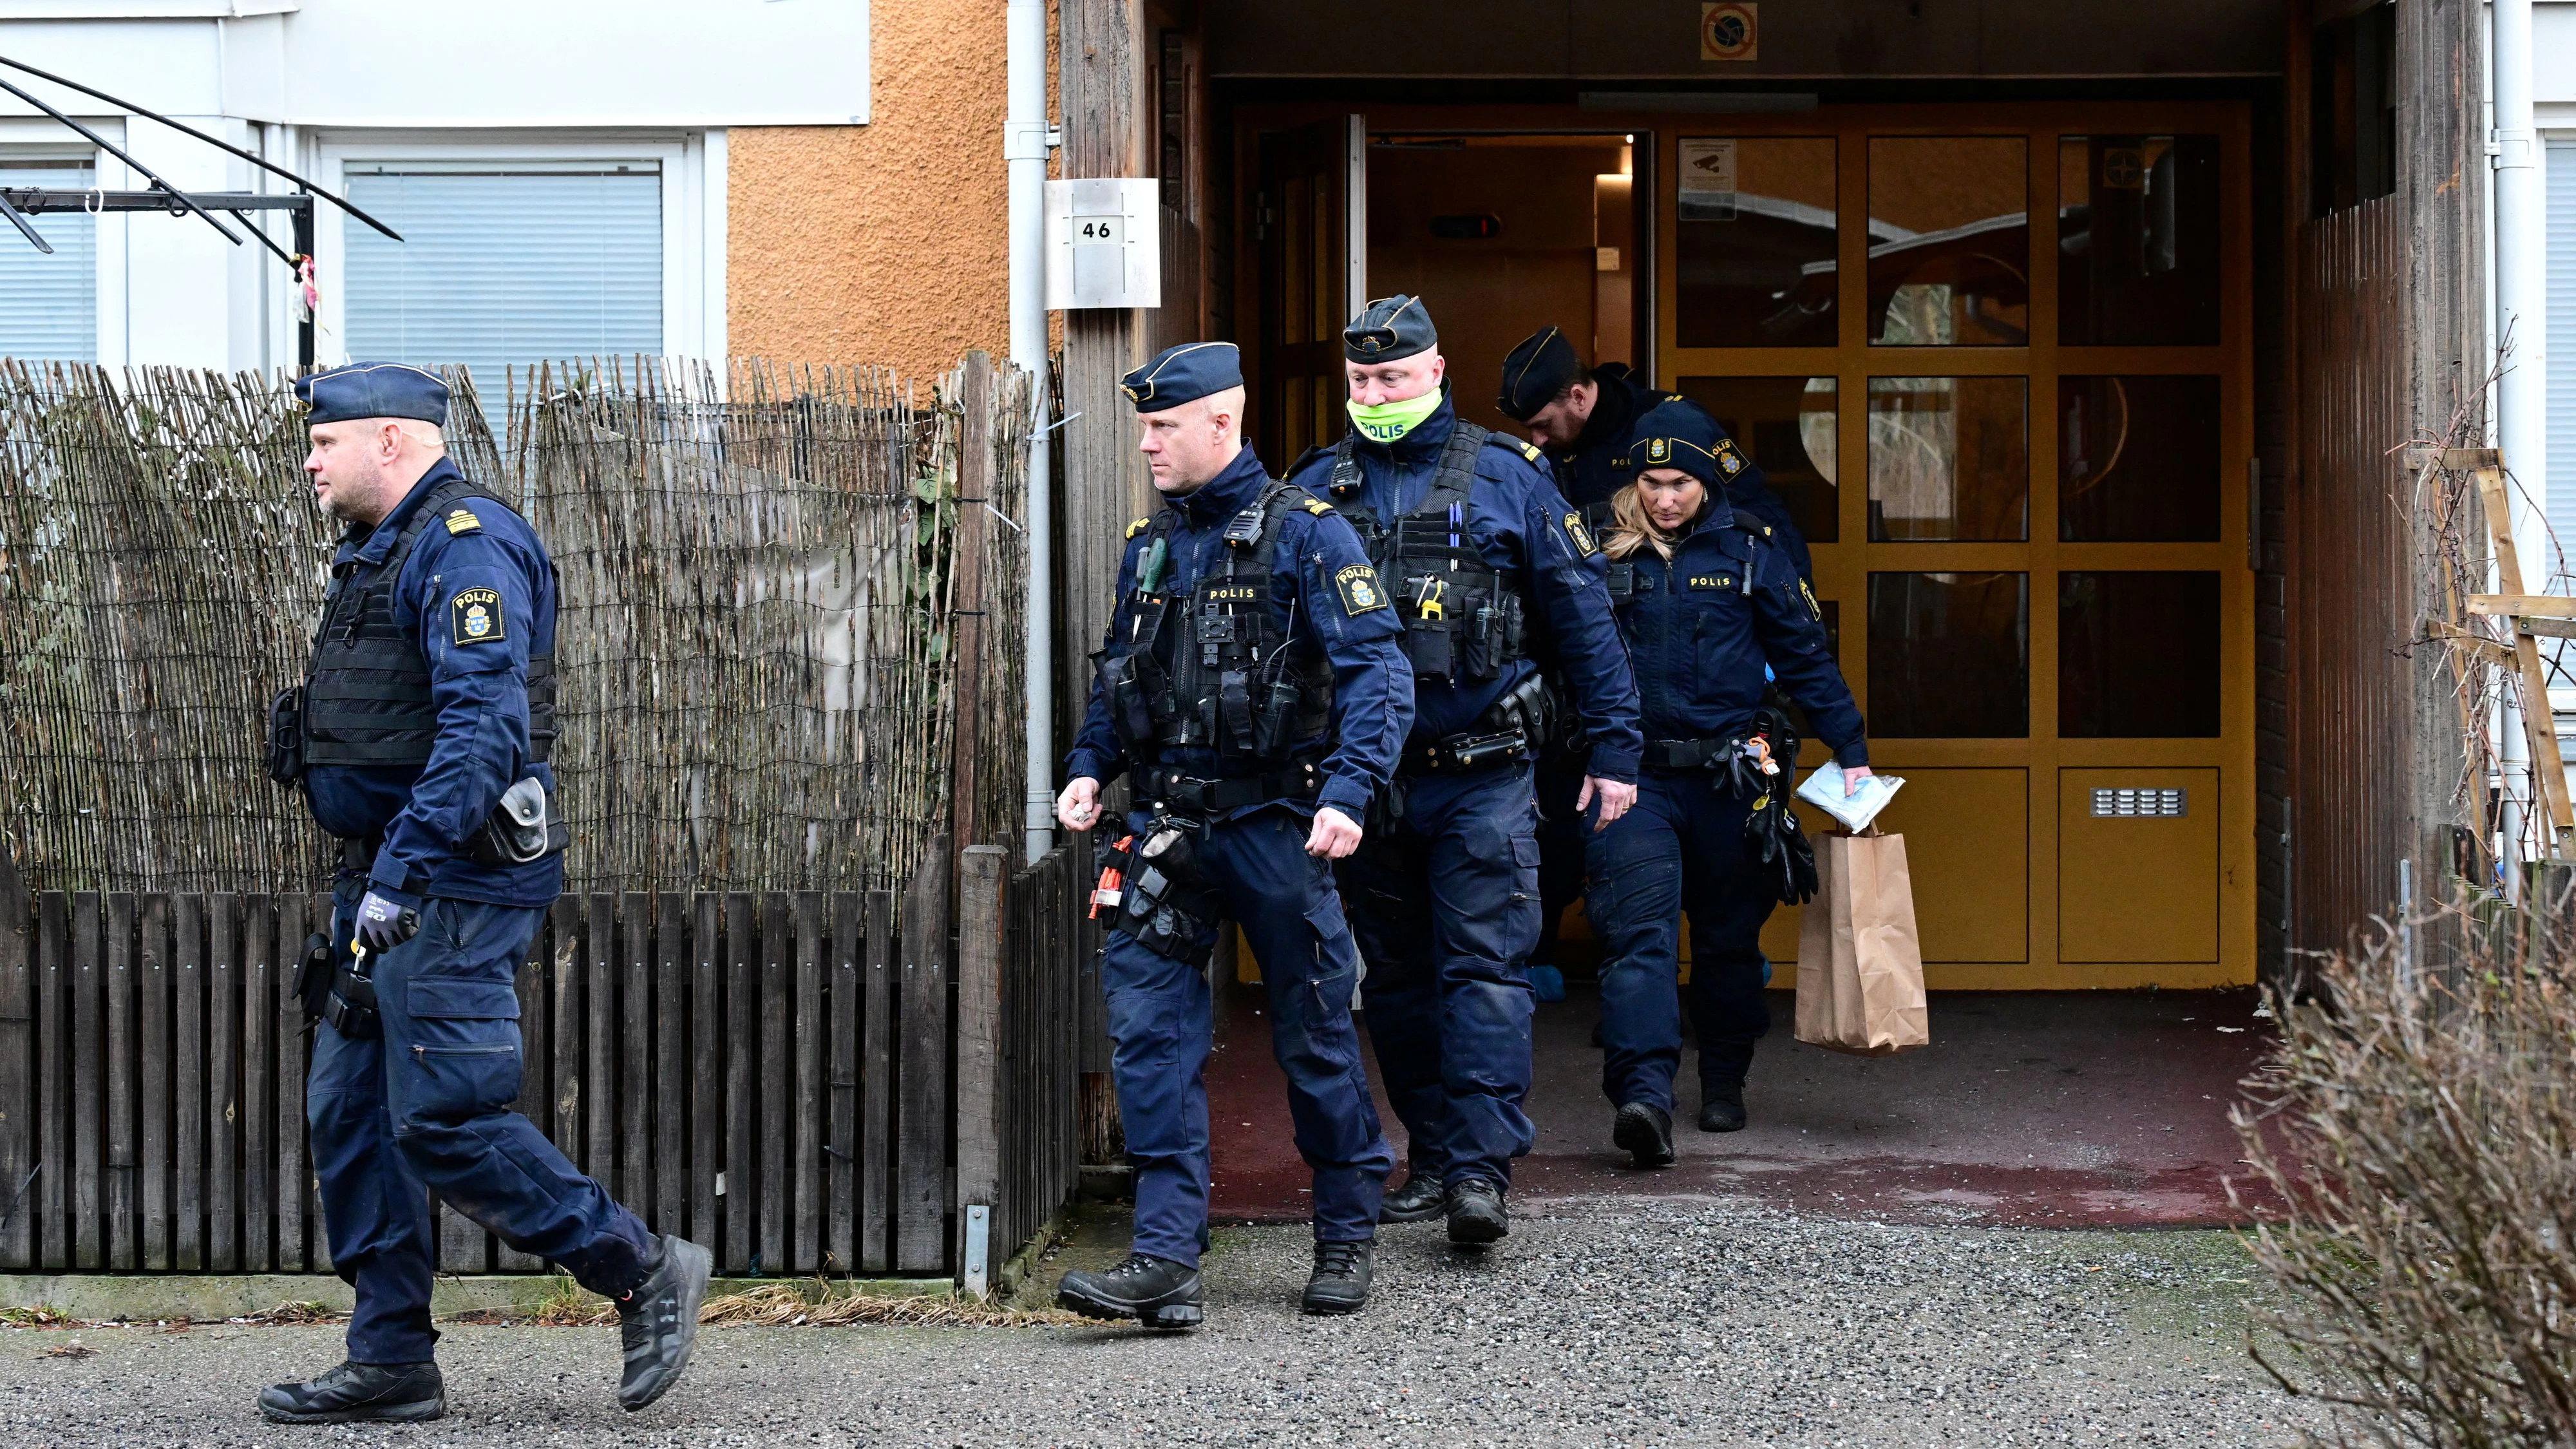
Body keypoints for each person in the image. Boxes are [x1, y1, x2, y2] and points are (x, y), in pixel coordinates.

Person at [263, 363, 709, 1423]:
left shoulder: (470, 545)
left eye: (326, 444)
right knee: (352, 1114)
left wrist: (405, 873)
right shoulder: (380, 554)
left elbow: (483, 731)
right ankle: (392, 1360)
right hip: (382, 880)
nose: (311, 463)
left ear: (390, 441)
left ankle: (643, 1269)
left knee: (445, 1119)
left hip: (448, 883)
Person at [1052, 341, 1410, 1327]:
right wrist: (1089, 767)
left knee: (1316, 1033)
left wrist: (1349, 790)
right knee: (1148, 1037)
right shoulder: (1151, 542)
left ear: (1223, 422)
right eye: (1144, 428)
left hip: (1281, 826)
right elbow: (1121, 673)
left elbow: (1380, 672)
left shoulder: (1310, 535)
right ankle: (1166, 1258)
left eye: (1164, 427)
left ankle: (1345, 1230)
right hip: (1171, 829)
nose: (1148, 444)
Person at [1286, 297, 1642, 1244]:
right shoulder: (1318, 485)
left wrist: (1616, 752)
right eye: (1361, 380)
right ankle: (1435, 1155)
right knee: (1396, 980)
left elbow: (1584, 624)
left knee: (1484, 968)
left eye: (1392, 376)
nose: (1375, 394)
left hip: (1484, 773)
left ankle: (1482, 1171)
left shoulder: (1508, 477)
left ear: (1435, 371)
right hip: (1371, 786)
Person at [1584, 401, 1872, 1166]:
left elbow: (1806, 659)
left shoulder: (1752, 551)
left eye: (1679, 482)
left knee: (1725, 943)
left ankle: (1722, 1084)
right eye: (1651, 482)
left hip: (1731, 774)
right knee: (1637, 941)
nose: (1664, 498)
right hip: (1634, 777)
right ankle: (1643, 1096)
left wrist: (1851, 749)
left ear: (1706, 483)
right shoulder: (1600, 550)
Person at [1495, 327, 1815, 990]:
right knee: (1565, 812)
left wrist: (1776, 648)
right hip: (1589, 671)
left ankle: (1722, 967)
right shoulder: (1542, 457)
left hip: (1694, 666)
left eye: (1543, 424)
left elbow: (1763, 526)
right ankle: (1587, 972)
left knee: (1711, 836)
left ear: (1579, 396)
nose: (1537, 440)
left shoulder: (1670, 427)